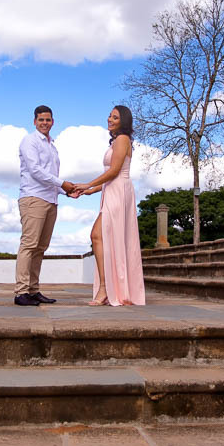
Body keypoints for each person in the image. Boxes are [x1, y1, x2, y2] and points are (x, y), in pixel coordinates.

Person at [72, 105, 145, 306]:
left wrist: (88, 183)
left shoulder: (122, 140)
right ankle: (108, 287)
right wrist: (91, 191)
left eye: (115, 117)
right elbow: (110, 177)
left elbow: (114, 172)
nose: (110, 119)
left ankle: (106, 288)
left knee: (97, 235)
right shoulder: (116, 141)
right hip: (111, 191)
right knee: (103, 237)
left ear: (123, 121)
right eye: (109, 116)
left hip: (119, 192)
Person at [15, 105, 78, 307]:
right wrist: (63, 184)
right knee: (29, 245)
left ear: (53, 121)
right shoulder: (29, 141)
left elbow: (51, 178)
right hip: (33, 198)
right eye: (41, 120)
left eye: (48, 120)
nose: (44, 123)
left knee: (41, 248)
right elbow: (35, 171)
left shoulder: (52, 145)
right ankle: (21, 292)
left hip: (50, 200)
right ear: (34, 121)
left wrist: (66, 191)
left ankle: (33, 290)